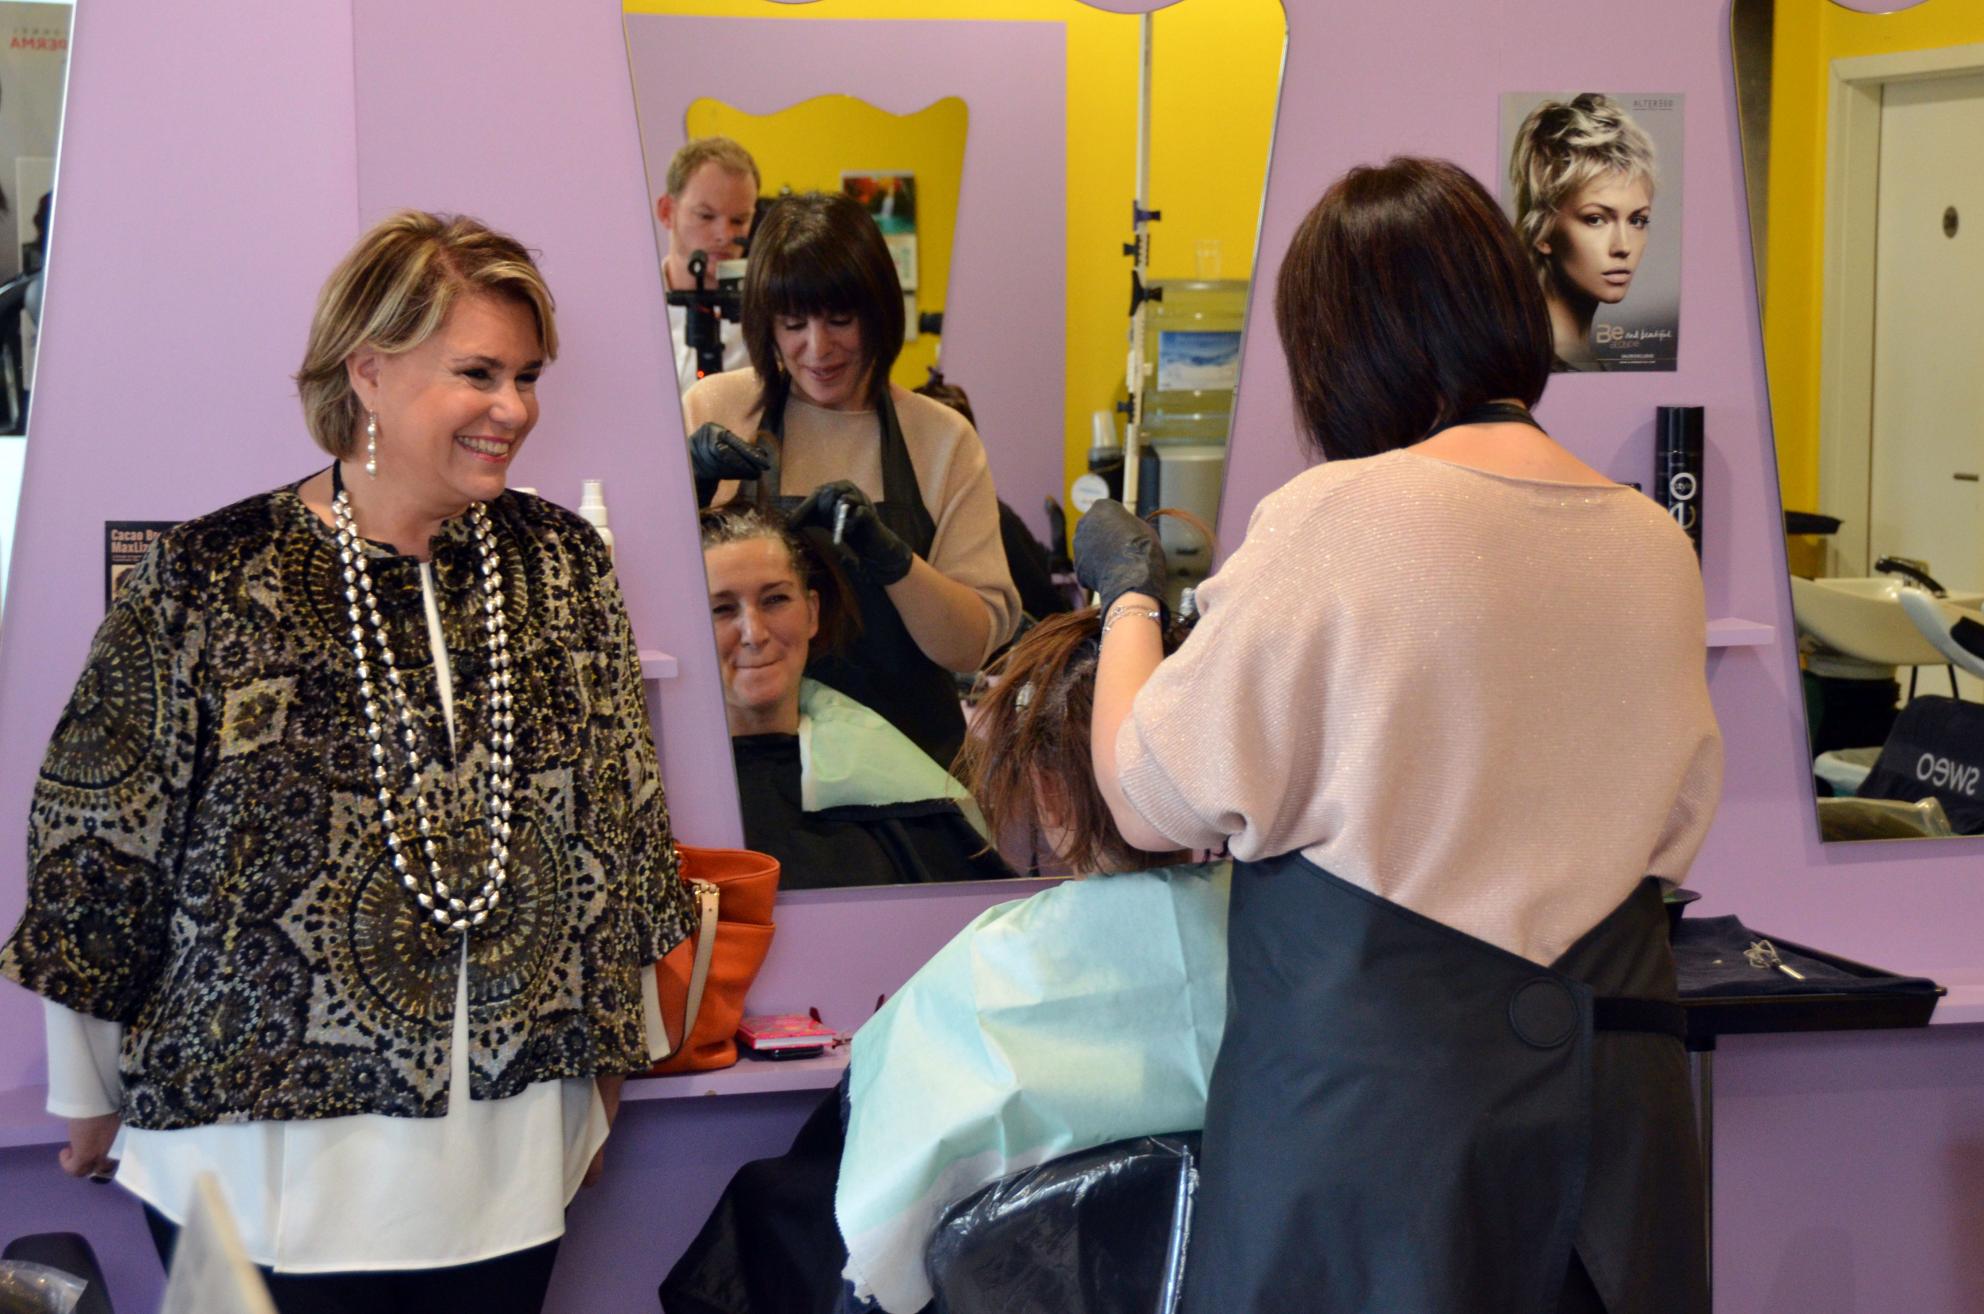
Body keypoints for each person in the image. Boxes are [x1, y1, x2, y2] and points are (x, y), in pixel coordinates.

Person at [0, 210, 693, 1314]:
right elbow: (98, 836)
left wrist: (601, 1079)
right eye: (477, 372)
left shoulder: (562, 566)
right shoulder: (212, 574)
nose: (513, 409)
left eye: (527, 375)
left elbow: (617, 826)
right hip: (241, 1150)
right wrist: (85, 1090)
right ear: (368, 371)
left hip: (502, 1150)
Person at [1076, 157, 1721, 1314]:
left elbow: (1149, 794)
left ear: (1339, 347)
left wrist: (1128, 600)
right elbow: (1667, 823)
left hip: (1385, 1124)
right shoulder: (1652, 543)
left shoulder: (1343, 515)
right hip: (1616, 1114)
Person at [684, 191, 1019, 770]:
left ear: (879, 314)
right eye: (793, 324)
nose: (817, 349)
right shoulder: (716, 409)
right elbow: (650, 610)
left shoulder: (940, 439)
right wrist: (686, 494)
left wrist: (894, 562)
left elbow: (972, 646)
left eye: (840, 320)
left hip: (908, 772)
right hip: (747, 772)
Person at [701, 504, 1015, 888]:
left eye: (775, 600)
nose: (754, 633)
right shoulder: (665, 796)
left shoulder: (894, 784)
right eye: (721, 608)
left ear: (812, 613)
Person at [1508, 93, 1657, 371]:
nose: (1622, 246)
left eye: (1637, 220)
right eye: (1596, 219)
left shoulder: (1581, 359)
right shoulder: (1534, 363)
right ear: (1542, 229)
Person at [657, 136, 760, 394]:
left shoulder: (769, 318)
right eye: (706, 215)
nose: (724, 235)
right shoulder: (629, 310)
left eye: (739, 220)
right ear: (667, 211)